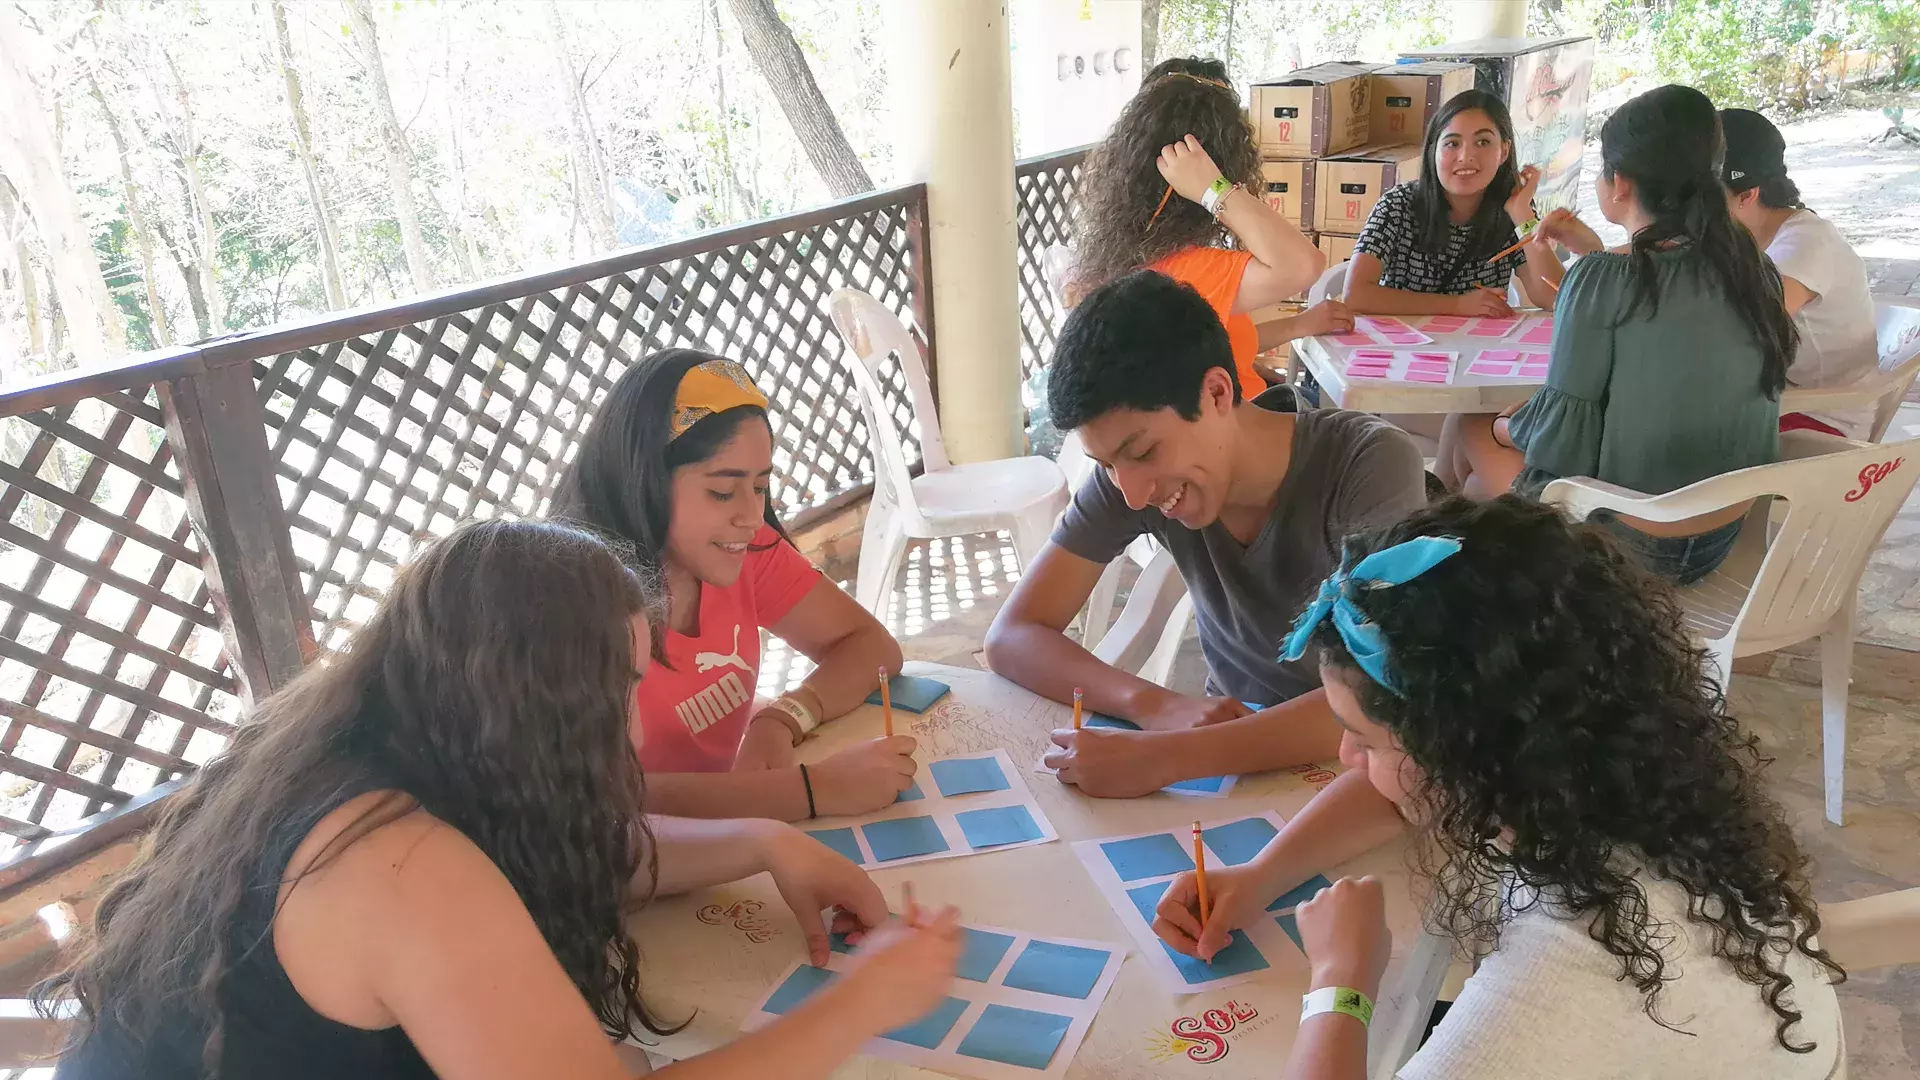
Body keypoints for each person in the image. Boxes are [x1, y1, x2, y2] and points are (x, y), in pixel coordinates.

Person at [40, 519, 963, 1079]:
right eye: (612, 704)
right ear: (527, 718)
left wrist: (768, 841)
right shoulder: (394, 860)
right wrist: (863, 1004)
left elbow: (574, 844)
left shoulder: (379, 740)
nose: (633, 738)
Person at [1151, 497, 1845, 1080]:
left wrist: (1341, 982)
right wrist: (1262, 873)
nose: (1343, 756)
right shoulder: (1622, 788)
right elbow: (1396, 789)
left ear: (1461, 752)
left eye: (1362, 739)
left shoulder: (1558, 987)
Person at [982, 269, 1426, 797]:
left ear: (1217, 392)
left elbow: (1382, 691)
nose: (1132, 494)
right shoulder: (1133, 478)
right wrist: (1155, 705)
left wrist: (1173, 756)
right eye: (1104, 464)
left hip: (1363, 766)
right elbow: (1012, 635)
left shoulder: (1368, 464)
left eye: (1143, 452)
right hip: (1232, 760)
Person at [1440, 85, 1792, 585]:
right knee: (1478, 490)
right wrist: (1594, 253)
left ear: (1619, 183)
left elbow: (1562, 448)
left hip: (1632, 544)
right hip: (1722, 533)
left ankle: (1466, 585)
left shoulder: (1605, 279)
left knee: (1470, 427)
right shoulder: (1754, 269)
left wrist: (1503, 426)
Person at [550, 350, 914, 821]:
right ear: (645, 481)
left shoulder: (745, 550)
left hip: (734, 838)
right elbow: (604, 802)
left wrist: (783, 718)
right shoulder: (579, 612)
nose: (751, 516)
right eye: (722, 491)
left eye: (760, 487)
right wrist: (809, 791)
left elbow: (872, 647)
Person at [1070, 56, 1340, 398]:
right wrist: (1214, 189)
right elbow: (1304, 266)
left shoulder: (1126, 255)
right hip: (1245, 434)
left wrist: (1301, 325)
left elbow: (1222, 334)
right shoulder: (1184, 271)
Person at [1722, 107, 1880, 440]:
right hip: (1784, 402)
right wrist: (1596, 255)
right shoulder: (1746, 232)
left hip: (1819, 419)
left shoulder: (1805, 242)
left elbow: (1747, 327)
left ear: (1747, 195)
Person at [1345, 89, 1564, 317]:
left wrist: (1523, 215)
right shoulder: (1396, 205)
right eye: (1452, 143)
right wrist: (1457, 306)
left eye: (1482, 142)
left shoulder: (1513, 209)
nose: (1465, 156)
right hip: (1402, 347)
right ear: (1433, 151)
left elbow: (1555, 298)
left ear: (1504, 151)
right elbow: (1356, 294)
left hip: (1479, 349)